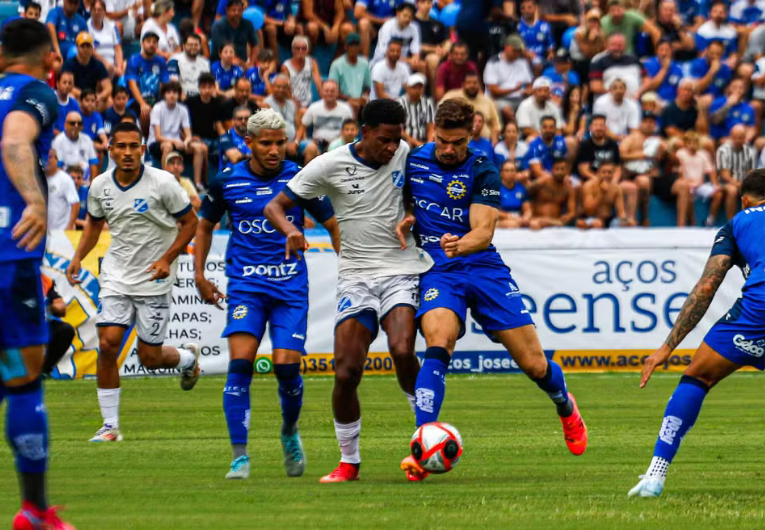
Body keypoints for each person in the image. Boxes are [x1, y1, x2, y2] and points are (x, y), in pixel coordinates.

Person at [399, 99, 587, 482]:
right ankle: (421, 444)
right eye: (442, 141)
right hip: (438, 270)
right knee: (439, 341)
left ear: (473, 135)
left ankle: (564, 404)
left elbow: (483, 233)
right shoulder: (414, 161)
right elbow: (400, 200)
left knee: (534, 364)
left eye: (457, 142)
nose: (449, 150)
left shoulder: (483, 168)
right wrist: (406, 218)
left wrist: (460, 244)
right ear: (433, 132)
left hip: (482, 266)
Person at [264, 99, 434, 483]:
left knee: (403, 349)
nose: (392, 148)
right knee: (346, 372)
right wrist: (291, 229)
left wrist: (410, 213)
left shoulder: (405, 152)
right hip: (356, 276)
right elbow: (275, 206)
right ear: (364, 131)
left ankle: (426, 435)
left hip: (401, 270)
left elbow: (414, 192)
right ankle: (349, 462)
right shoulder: (329, 164)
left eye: (397, 140)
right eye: (385, 140)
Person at [196, 108, 339, 480]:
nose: (276, 150)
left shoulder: (300, 178)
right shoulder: (226, 181)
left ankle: (289, 431)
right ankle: (239, 456)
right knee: (241, 364)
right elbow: (205, 226)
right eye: (267, 143)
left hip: (290, 285)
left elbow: (333, 223)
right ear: (249, 143)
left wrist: (352, 268)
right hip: (246, 284)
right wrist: (198, 274)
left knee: (286, 368)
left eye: (280, 142)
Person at [629, 168, 765, 498]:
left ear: (744, 200)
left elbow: (707, 286)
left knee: (697, 378)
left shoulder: (738, 222)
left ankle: (655, 475)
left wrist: (667, 347)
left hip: (757, 312)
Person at [65, 121, 200, 444]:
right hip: (116, 276)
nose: (127, 153)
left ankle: (189, 359)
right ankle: (109, 426)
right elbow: (95, 226)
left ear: (143, 149)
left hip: (154, 279)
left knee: (149, 358)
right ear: (110, 150)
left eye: (133, 146)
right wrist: (77, 256)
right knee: (109, 343)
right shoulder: (99, 186)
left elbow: (190, 223)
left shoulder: (163, 183)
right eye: (121, 147)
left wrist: (167, 259)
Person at [0, 19, 76, 530]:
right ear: (48, 54)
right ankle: (34, 511)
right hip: (9, 255)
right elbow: (14, 140)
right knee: (24, 379)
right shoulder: (37, 92)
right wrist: (33, 198)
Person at [148, 81, 208, 191]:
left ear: (179, 94)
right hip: (157, 143)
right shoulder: (157, 108)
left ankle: (198, 184)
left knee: (199, 148)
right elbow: (157, 136)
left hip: (178, 142)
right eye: (169, 92)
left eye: (175, 92)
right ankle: (164, 183)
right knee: (168, 146)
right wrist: (174, 141)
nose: (172, 95)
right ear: (164, 94)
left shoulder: (183, 109)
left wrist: (186, 142)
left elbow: (188, 134)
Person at [620, 113, 664, 226]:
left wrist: (663, 152)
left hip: (653, 176)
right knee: (642, 181)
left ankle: (644, 217)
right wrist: (643, 155)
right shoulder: (631, 138)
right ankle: (639, 219)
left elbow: (664, 157)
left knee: (645, 180)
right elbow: (622, 155)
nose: (649, 125)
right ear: (640, 124)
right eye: (646, 122)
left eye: (652, 122)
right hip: (632, 174)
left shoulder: (657, 141)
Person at [125, 31, 170, 134]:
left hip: (156, 99)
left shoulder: (160, 61)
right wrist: (142, 104)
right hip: (136, 100)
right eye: (148, 41)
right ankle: (145, 142)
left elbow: (165, 84)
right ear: (142, 43)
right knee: (145, 113)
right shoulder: (134, 60)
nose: (151, 44)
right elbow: (132, 85)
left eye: (154, 42)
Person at [483, 35, 534, 124]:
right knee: (505, 109)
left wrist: (528, 91)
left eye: (519, 51)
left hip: (520, 98)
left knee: (532, 104)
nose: (517, 54)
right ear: (506, 47)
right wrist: (514, 89)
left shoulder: (522, 62)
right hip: (500, 99)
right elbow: (494, 91)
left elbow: (530, 85)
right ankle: (504, 133)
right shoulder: (493, 62)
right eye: (514, 50)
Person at [301, 79, 353, 164]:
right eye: (326, 91)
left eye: (332, 91)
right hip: (318, 144)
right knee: (310, 148)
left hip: (338, 144)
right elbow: (303, 125)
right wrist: (306, 139)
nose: (329, 93)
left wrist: (336, 142)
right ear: (321, 92)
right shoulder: (314, 107)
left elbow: (351, 128)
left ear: (337, 93)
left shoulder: (346, 109)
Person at [676, 131, 722, 227]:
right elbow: (679, 173)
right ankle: (692, 223)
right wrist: (687, 183)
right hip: (687, 185)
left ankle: (710, 219)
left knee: (718, 194)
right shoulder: (680, 154)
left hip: (700, 185)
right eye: (689, 142)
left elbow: (711, 171)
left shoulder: (703, 154)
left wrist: (715, 185)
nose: (692, 145)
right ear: (685, 143)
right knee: (687, 193)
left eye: (695, 142)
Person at [442, 72, 500, 144]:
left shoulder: (488, 102)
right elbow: (440, 116)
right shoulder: (451, 97)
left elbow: (496, 125)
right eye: (468, 83)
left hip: (484, 145)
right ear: (463, 84)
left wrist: (494, 142)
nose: (472, 85)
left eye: (475, 83)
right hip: (457, 142)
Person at [716, 124, 757, 220]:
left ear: (745, 138)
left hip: (744, 183)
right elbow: (725, 175)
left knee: (754, 192)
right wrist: (740, 185)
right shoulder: (723, 150)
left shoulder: (750, 151)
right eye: (735, 138)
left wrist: (746, 185)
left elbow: (751, 173)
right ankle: (731, 222)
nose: (738, 140)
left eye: (741, 138)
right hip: (725, 183)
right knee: (732, 190)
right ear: (730, 136)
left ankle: (750, 222)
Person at [62, 32, 112, 110]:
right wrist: (85, 96)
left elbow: (108, 87)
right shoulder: (69, 64)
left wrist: (100, 96)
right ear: (77, 47)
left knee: (109, 101)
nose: (85, 49)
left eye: (88, 46)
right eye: (82, 46)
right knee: (70, 97)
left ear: (92, 48)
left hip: (93, 98)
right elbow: (67, 86)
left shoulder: (98, 64)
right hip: (78, 97)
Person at [576, 161, 632, 229]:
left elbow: (620, 213)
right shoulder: (588, 186)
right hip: (591, 218)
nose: (607, 175)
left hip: (608, 220)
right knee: (597, 224)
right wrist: (601, 193)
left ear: (613, 174)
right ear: (598, 173)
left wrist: (627, 221)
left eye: (609, 172)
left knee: (629, 223)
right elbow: (589, 210)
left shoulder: (616, 188)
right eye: (604, 172)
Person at [328, 33, 372, 118]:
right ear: (346, 47)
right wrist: (350, 99)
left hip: (360, 101)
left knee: (377, 109)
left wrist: (364, 97)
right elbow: (333, 89)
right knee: (354, 106)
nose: (353, 48)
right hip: (341, 101)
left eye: (356, 46)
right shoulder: (336, 64)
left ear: (359, 47)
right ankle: (353, 130)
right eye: (351, 45)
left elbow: (367, 87)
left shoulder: (364, 63)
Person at [589, 33, 643, 99]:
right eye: (613, 45)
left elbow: (646, 80)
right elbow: (595, 86)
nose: (616, 48)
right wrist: (618, 95)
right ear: (607, 45)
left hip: (634, 103)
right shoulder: (598, 61)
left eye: (620, 45)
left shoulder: (634, 60)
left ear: (625, 46)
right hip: (608, 104)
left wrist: (640, 92)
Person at [526, 158, 577, 229]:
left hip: (555, 221)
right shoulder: (543, 181)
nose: (559, 172)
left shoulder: (568, 188)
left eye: (562, 169)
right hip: (537, 220)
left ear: (567, 171)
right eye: (557, 169)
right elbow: (526, 191)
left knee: (581, 224)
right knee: (534, 224)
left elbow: (572, 212)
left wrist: (567, 216)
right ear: (552, 170)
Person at [370, 2, 421, 72]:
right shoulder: (388, 26)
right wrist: (408, 60)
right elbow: (385, 53)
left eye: (410, 17)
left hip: (404, 63)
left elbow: (415, 48)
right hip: (382, 61)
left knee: (421, 65)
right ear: (398, 14)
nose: (407, 19)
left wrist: (415, 58)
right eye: (405, 15)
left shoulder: (414, 28)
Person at [414, 0, 449, 99]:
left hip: (437, 54)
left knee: (434, 58)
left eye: (429, 2)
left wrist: (444, 50)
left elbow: (447, 40)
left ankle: (437, 99)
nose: (426, 5)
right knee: (432, 59)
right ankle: (435, 97)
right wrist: (434, 49)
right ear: (417, 4)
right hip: (416, 55)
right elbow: (414, 44)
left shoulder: (437, 23)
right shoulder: (412, 22)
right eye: (423, 2)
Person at [185, 73, 225, 158]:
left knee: (224, 147)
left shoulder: (217, 103)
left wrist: (226, 139)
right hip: (196, 138)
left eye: (209, 87)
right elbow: (184, 124)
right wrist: (190, 136)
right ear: (199, 87)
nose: (206, 90)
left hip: (213, 139)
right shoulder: (190, 102)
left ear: (214, 88)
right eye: (204, 87)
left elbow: (219, 126)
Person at [42, 274, 75, 377]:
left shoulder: (44, 280)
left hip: (37, 325)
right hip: (12, 324)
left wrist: (53, 307)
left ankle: (44, 370)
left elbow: (60, 308)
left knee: (66, 330)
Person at [52, 111, 99, 181]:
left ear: (82, 126)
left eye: (79, 123)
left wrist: (92, 187)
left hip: (85, 184)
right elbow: (58, 168)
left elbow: (93, 165)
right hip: (67, 184)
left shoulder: (87, 140)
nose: (76, 126)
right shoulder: (58, 141)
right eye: (72, 123)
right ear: (65, 125)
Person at [576, 114, 622, 184]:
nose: (599, 128)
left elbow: (617, 168)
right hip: (592, 179)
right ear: (591, 128)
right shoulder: (585, 145)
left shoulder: (613, 144)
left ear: (606, 128)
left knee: (629, 187)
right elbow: (583, 170)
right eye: (596, 125)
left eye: (601, 125)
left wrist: (614, 182)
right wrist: (599, 181)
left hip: (610, 179)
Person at [210, 0, 259, 66]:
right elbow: (224, 51)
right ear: (227, 10)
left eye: (239, 10)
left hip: (242, 62)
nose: (236, 13)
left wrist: (251, 64)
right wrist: (243, 66)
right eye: (233, 10)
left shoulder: (248, 24)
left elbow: (255, 46)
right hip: (220, 63)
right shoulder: (218, 26)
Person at [281, 35, 322, 110]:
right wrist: (294, 102)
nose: (300, 51)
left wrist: (324, 99)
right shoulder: (286, 66)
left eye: (303, 48)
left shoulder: (312, 62)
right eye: (297, 48)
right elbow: (286, 88)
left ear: (307, 50)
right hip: (292, 103)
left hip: (308, 103)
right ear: (292, 50)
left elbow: (318, 82)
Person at [264, 74, 299, 158]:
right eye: (278, 87)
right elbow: (268, 131)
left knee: (311, 148)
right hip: (276, 143)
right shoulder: (266, 104)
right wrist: (285, 144)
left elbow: (300, 127)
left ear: (288, 89)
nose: (281, 90)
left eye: (284, 87)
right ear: (272, 87)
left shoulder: (292, 104)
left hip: (294, 143)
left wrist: (296, 142)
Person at [523, 116, 568, 181]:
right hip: (542, 179)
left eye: (551, 127)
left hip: (559, 176)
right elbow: (537, 172)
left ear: (555, 129)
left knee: (574, 183)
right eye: (545, 127)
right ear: (540, 129)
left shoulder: (561, 141)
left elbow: (565, 164)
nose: (548, 130)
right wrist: (555, 180)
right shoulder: (534, 145)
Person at [641, 38, 684, 105]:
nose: (664, 53)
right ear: (656, 51)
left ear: (671, 51)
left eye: (667, 50)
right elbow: (648, 88)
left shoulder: (678, 69)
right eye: (661, 50)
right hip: (653, 102)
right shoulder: (648, 65)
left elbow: (681, 91)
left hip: (671, 104)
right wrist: (664, 69)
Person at [690, 40, 733, 106]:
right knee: (707, 99)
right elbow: (697, 89)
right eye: (712, 53)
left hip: (718, 99)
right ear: (706, 51)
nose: (714, 56)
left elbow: (726, 90)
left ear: (722, 54)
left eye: (718, 54)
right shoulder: (697, 64)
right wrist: (712, 71)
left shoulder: (725, 69)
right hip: (699, 98)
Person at [45, 149, 80, 231]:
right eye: (46, 157)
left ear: (56, 159)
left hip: (60, 230)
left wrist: (70, 226)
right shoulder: (38, 178)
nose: (47, 160)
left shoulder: (65, 179)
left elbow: (75, 204)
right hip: (43, 232)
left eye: (50, 157)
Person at [87, 0, 123, 78]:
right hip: (97, 62)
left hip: (113, 63)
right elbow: (91, 51)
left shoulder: (112, 26)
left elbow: (118, 49)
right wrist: (106, 63)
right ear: (90, 11)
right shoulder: (87, 26)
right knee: (108, 69)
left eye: (99, 10)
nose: (97, 12)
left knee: (126, 66)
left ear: (104, 12)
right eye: (94, 10)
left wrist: (119, 67)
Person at [398, 73, 434, 148]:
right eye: (414, 87)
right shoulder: (400, 103)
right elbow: (400, 129)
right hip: (405, 141)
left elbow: (430, 126)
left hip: (423, 140)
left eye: (420, 87)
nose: (417, 90)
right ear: (408, 88)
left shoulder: (427, 103)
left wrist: (428, 144)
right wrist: (416, 143)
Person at [169, 33, 210, 98]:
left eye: (196, 45)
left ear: (200, 46)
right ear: (184, 46)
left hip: (202, 97)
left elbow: (210, 83)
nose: (193, 47)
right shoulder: (175, 60)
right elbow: (173, 82)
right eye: (190, 45)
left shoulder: (205, 62)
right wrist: (182, 95)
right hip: (183, 97)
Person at [518, 0, 555, 71]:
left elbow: (550, 47)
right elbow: (513, 47)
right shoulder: (517, 27)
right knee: (536, 63)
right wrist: (525, 53)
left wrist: (551, 54)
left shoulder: (545, 26)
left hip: (543, 59)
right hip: (523, 60)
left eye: (529, 7)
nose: (526, 10)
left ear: (535, 8)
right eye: (523, 8)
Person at [497, 160, 531, 228]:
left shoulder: (521, 188)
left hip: (518, 220)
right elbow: (494, 211)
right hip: (501, 220)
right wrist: (510, 217)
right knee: (511, 224)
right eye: (507, 170)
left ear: (516, 172)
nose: (510, 173)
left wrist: (526, 218)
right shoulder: (495, 189)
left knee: (534, 224)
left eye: (512, 170)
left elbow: (527, 209)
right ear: (501, 173)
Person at [220, 105, 252, 171]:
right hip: (230, 175)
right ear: (233, 120)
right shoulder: (226, 137)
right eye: (240, 119)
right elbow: (236, 159)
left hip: (249, 174)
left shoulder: (255, 136)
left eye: (246, 118)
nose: (243, 121)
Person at [79, 89, 108, 154]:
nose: (90, 103)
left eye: (92, 101)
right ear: (81, 102)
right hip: (79, 144)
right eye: (87, 100)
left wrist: (105, 142)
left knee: (102, 152)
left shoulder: (97, 116)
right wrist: (98, 146)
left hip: (92, 144)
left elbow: (101, 131)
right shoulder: (77, 115)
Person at [54, 70, 80, 134]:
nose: (67, 85)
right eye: (64, 82)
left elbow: (77, 125)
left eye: (70, 83)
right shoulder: (50, 99)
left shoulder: (74, 104)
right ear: (57, 84)